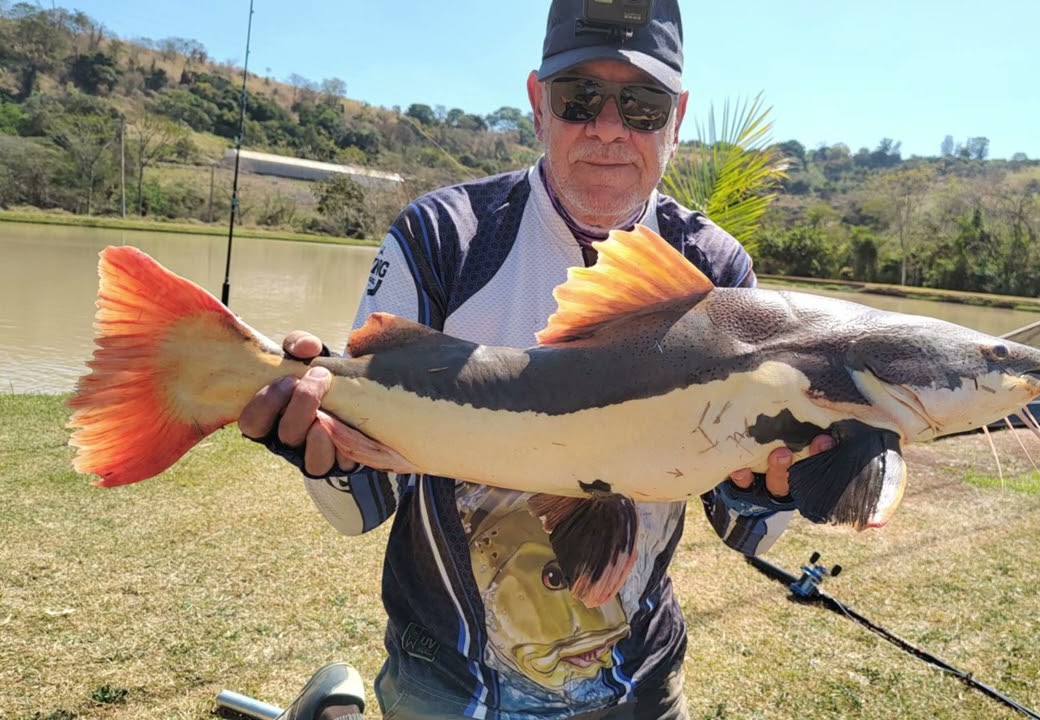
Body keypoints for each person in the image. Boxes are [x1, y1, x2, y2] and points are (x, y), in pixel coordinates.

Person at [239, 1, 829, 718]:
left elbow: (745, 528)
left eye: (642, 105)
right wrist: (318, 449)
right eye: (579, 96)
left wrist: (773, 486)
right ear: (537, 103)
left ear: (676, 118)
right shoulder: (445, 239)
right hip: (450, 683)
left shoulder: (715, 271)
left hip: (638, 679)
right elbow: (361, 507)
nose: (608, 127)